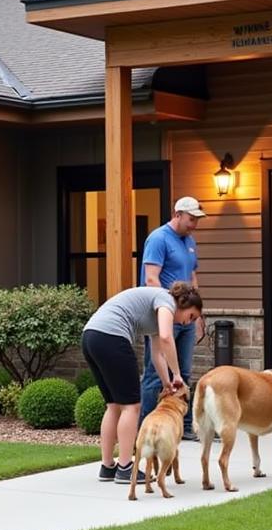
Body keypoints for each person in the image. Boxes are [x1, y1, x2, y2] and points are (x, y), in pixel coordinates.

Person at [82, 281, 204, 485]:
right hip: (112, 337)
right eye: (191, 316)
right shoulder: (166, 301)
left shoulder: (158, 312)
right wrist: (177, 375)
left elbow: (157, 354)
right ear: (183, 304)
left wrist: (167, 382)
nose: (187, 323)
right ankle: (125, 468)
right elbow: (166, 338)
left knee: (113, 405)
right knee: (132, 406)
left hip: (91, 337)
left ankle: (107, 466)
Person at [138, 195, 206, 439]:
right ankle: (145, 429)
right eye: (191, 219)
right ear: (177, 214)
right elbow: (151, 279)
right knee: (155, 374)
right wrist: (166, 312)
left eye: (197, 220)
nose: (194, 224)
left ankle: (183, 426)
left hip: (186, 317)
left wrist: (197, 315)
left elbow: (193, 276)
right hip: (165, 315)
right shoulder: (158, 238)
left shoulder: (190, 241)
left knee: (184, 372)